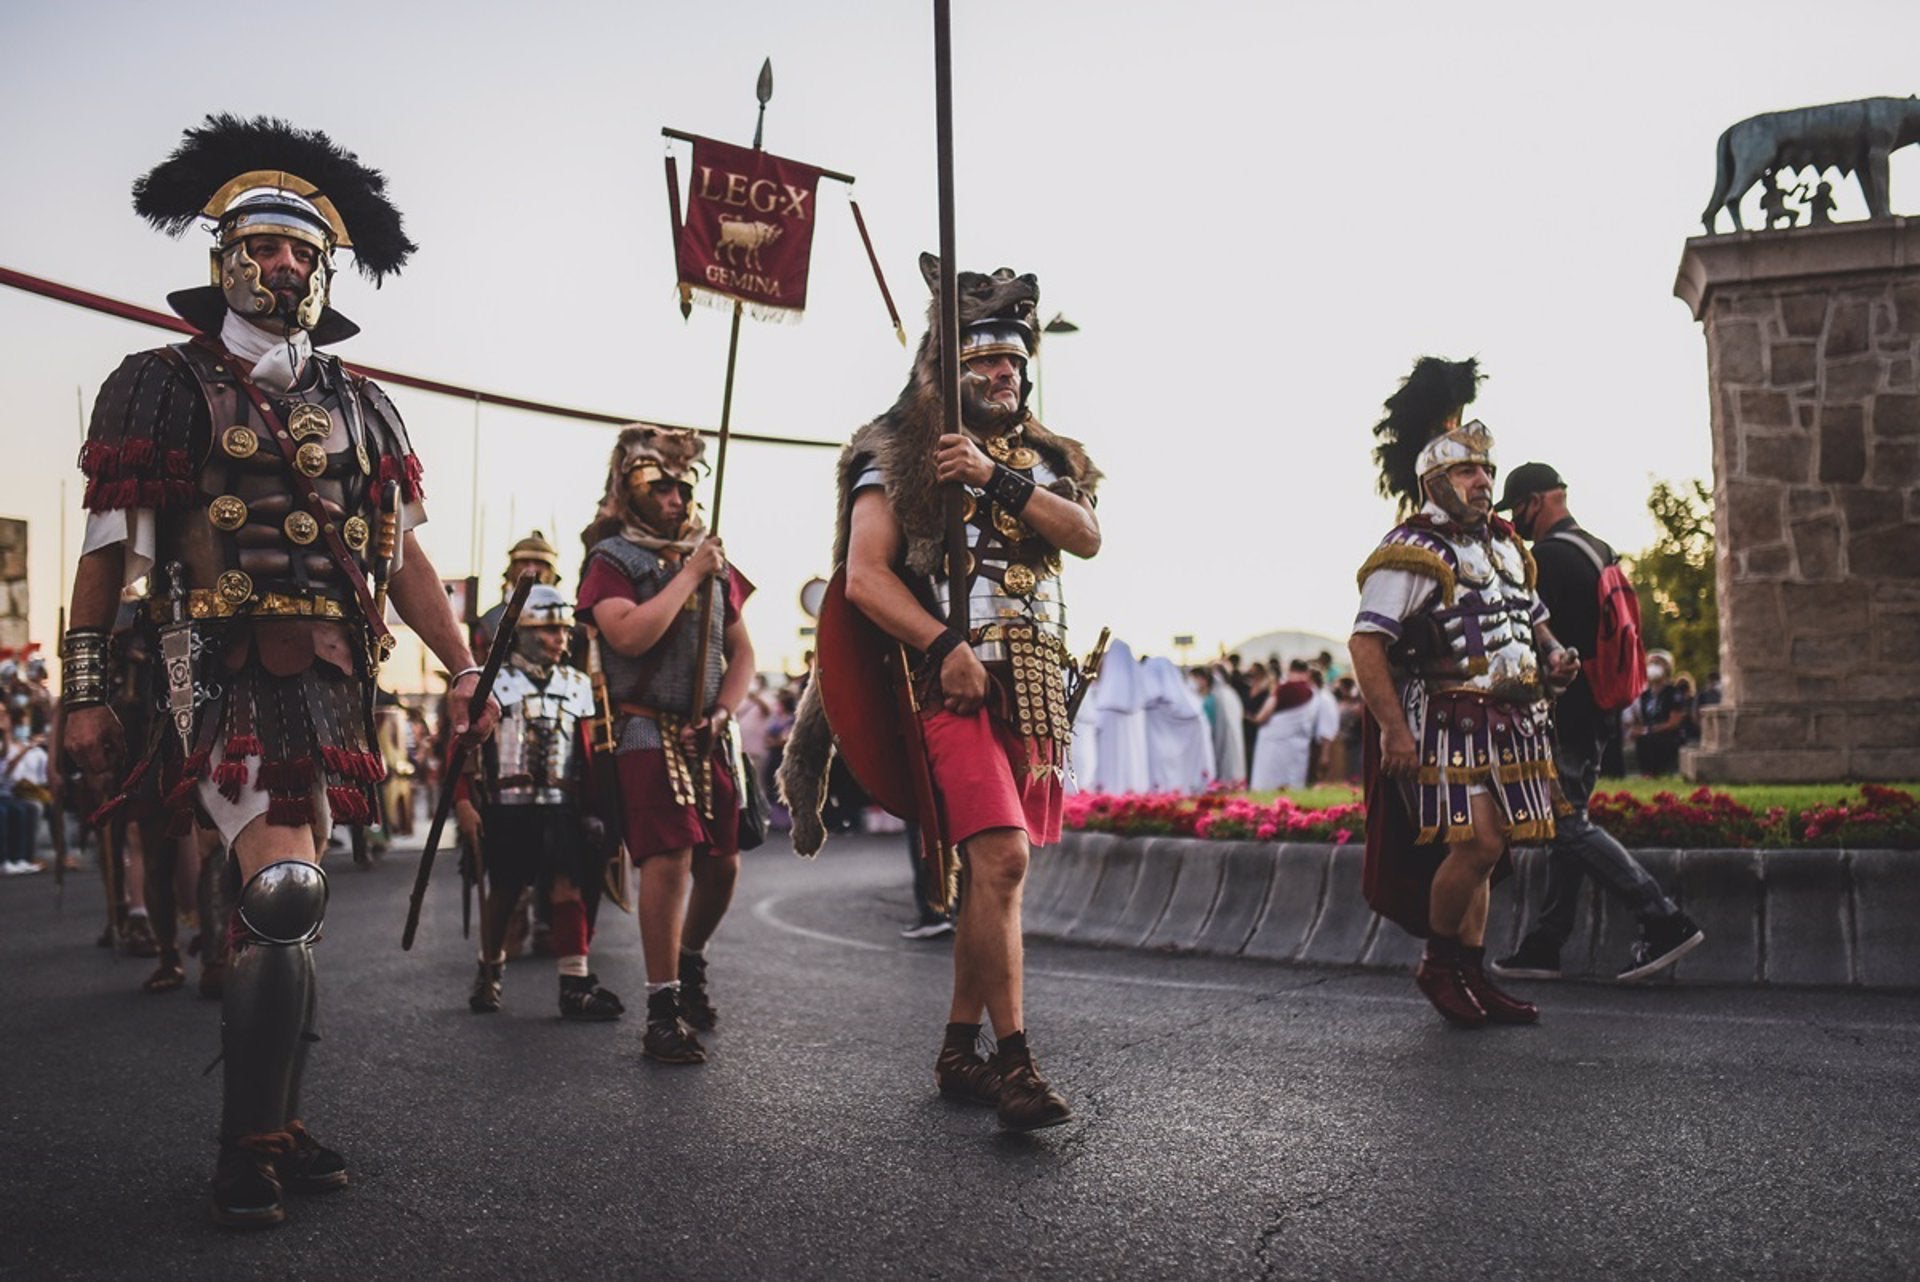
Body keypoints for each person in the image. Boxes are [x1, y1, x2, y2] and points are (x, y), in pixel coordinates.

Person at [60, 116, 495, 1227]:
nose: (284, 264)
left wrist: (461, 667)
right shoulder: (160, 383)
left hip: (330, 685)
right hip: (211, 671)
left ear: (326, 271)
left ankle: (277, 1120)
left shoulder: (363, 404)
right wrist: (80, 692)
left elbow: (402, 561)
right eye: (263, 245)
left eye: (303, 252)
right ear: (225, 259)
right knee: (285, 888)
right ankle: (246, 1144)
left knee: (288, 913)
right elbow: (110, 552)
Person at [780, 259, 1102, 1131]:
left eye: (1013, 361)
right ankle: (1017, 1065)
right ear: (945, 365)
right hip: (953, 687)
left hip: (1034, 692)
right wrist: (944, 642)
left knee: (992, 881)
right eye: (984, 359)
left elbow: (1086, 536)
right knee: (1001, 863)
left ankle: (960, 1049)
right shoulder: (898, 448)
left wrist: (993, 476)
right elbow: (864, 578)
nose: (1003, 372)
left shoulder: (1046, 458)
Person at [1348, 357, 1578, 1028]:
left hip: (1511, 720)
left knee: (1490, 850)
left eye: (1486, 471)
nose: (1484, 483)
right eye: (1468, 471)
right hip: (1446, 721)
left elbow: (1530, 619)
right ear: (1434, 480)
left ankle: (1475, 976)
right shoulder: (1410, 549)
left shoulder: (1505, 547)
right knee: (1477, 845)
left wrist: (1557, 656)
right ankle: (1439, 964)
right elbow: (1367, 643)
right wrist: (1395, 730)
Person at [577, 426, 755, 1065]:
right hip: (645, 729)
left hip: (706, 733)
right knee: (670, 857)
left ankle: (690, 958)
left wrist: (724, 711)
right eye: (663, 486)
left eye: (684, 486)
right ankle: (661, 1007)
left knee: (723, 865)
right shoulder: (613, 560)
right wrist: (689, 575)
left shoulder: (711, 558)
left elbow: (742, 652)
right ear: (633, 489)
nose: (677, 497)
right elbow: (627, 636)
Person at [1491, 464, 1705, 982]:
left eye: (1516, 508)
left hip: (1568, 711)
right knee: (1570, 824)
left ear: (1535, 502)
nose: (1514, 521)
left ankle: (1663, 917)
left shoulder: (1548, 559)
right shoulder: (1599, 549)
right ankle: (1546, 942)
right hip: (1603, 708)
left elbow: (1536, 646)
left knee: (1566, 823)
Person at [457, 585, 621, 1019]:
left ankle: (574, 982)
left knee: (568, 887)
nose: (561, 640)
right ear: (526, 632)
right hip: (508, 804)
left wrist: (595, 809)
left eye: (564, 631)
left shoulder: (578, 685)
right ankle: (489, 971)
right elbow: (466, 751)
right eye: (550, 630)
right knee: (506, 891)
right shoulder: (494, 684)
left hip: (561, 805)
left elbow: (586, 755)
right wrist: (463, 803)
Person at [474, 530, 563, 657]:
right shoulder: (491, 619)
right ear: (513, 568)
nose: (532, 569)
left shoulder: (570, 622)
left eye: (538, 563)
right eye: (525, 562)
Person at [1248, 660, 1317, 790]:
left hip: (1274, 740)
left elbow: (1264, 715)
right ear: (1306, 673)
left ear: (1290, 671)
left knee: (1270, 776)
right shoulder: (1310, 692)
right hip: (1298, 743)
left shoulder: (1283, 689)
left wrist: (1251, 718)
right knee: (1293, 775)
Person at [1631, 650, 1690, 776]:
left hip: (1668, 739)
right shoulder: (1645, 695)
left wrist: (1649, 730)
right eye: (1651, 663)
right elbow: (1641, 719)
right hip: (1648, 739)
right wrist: (1637, 730)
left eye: (1657, 663)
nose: (1653, 667)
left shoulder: (1673, 693)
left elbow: (1673, 722)